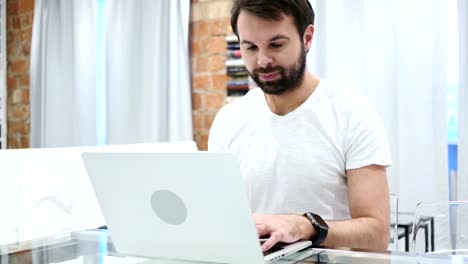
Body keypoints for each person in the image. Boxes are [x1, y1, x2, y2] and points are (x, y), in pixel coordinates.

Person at [208, 0, 392, 252]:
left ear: (307, 37)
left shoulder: (352, 114)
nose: (262, 60)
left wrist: (307, 226)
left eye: (276, 45)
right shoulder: (228, 121)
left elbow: (376, 233)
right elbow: (219, 219)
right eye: (250, 47)